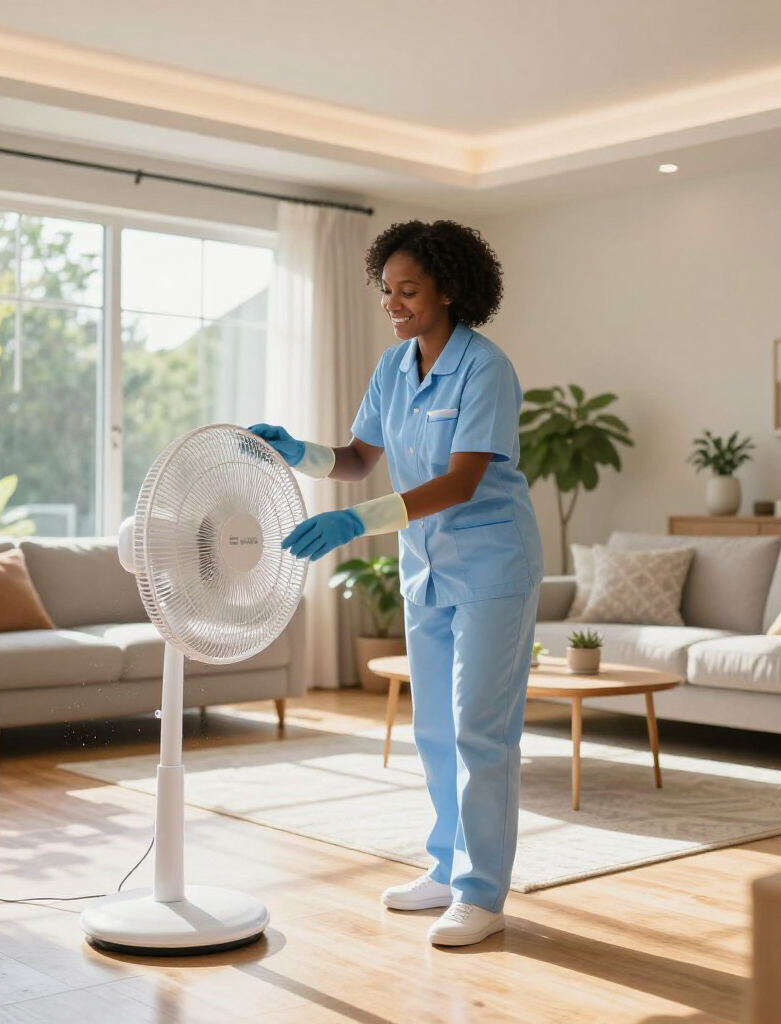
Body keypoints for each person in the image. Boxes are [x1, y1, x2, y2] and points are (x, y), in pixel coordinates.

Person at [250, 219, 543, 947]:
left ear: (450, 289)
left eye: (408, 290)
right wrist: (301, 453)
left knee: (482, 730)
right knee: (435, 729)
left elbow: (463, 479)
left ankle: (482, 893)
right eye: (388, 291)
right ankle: (445, 869)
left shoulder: (486, 368)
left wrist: (357, 526)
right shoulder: (392, 368)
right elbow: (357, 457)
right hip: (428, 567)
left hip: (491, 567)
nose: (394, 303)